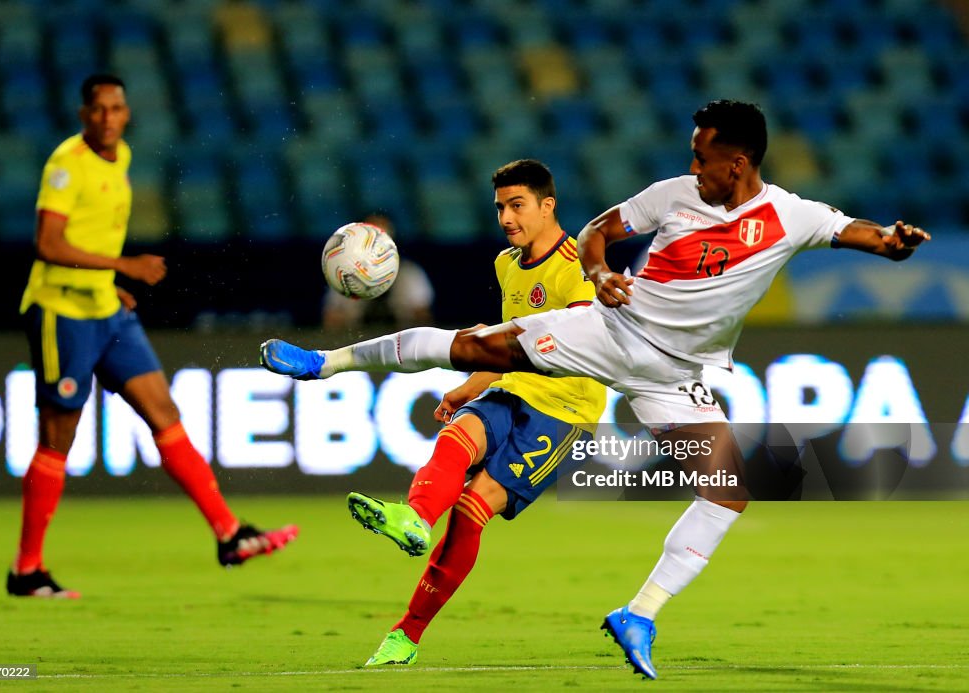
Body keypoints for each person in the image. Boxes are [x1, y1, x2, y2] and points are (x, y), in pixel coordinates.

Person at [259, 100, 931, 678]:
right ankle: (327, 363)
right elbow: (597, 231)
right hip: (613, 329)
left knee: (728, 493)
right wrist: (603, 271)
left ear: (739, 162)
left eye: (704, 157)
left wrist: (893, 242)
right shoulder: (673, 195)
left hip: (675, 375)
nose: (693, 167)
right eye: (692, 154)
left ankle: (637, 615)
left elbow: (855, 231)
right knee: (474, 345)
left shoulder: (791, 214)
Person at [8, 74, 298, 599]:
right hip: (61, 312)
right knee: (58, 439)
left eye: (116, 108)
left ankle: (229, 535)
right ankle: (27, 570)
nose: (107, 118)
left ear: (126, 113)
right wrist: (123, 265)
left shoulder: (120, 157)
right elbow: (48, 244)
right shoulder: (65, 165)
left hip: (105, 308)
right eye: (97, 110)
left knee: (163, 411)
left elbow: (84, 236)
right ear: (83, 115)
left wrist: (109, 283)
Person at [344, 160, 607, 665]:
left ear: (547, 205)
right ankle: (416, 518)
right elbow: (513, 345)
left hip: (565, 408)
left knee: (470, 513)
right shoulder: (507, 264)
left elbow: (569, 343)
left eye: (517, 205)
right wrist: (469, 388)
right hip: (515, 387)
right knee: (456, 436)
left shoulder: (577, 264)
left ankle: (407, 634)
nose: (506, 218)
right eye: (500, 208)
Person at [322, 211, 434, 330]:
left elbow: (423, 320)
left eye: (381, 237)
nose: (376, 245)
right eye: (369, 239)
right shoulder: (343, 272)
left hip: (400, 343)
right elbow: (331, 320)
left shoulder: (410, 273)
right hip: (356, 343)